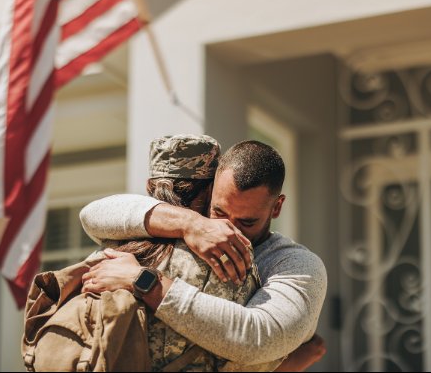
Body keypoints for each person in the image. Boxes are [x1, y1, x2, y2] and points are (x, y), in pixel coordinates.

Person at [24, 135, 284, 371]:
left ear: (150, 187)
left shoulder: (112, 247)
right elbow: (255, 352)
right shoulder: (228, 261)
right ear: (210, 190)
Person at [80, 140, 328, 369]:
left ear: (277, 207)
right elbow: (92, 215)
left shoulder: (297, 264)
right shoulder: (188, 230)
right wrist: (191, 223)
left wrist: (145, 282)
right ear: (211, 192)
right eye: (219, 212)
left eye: (246, 222)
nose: (226, 230)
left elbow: (258, 338)